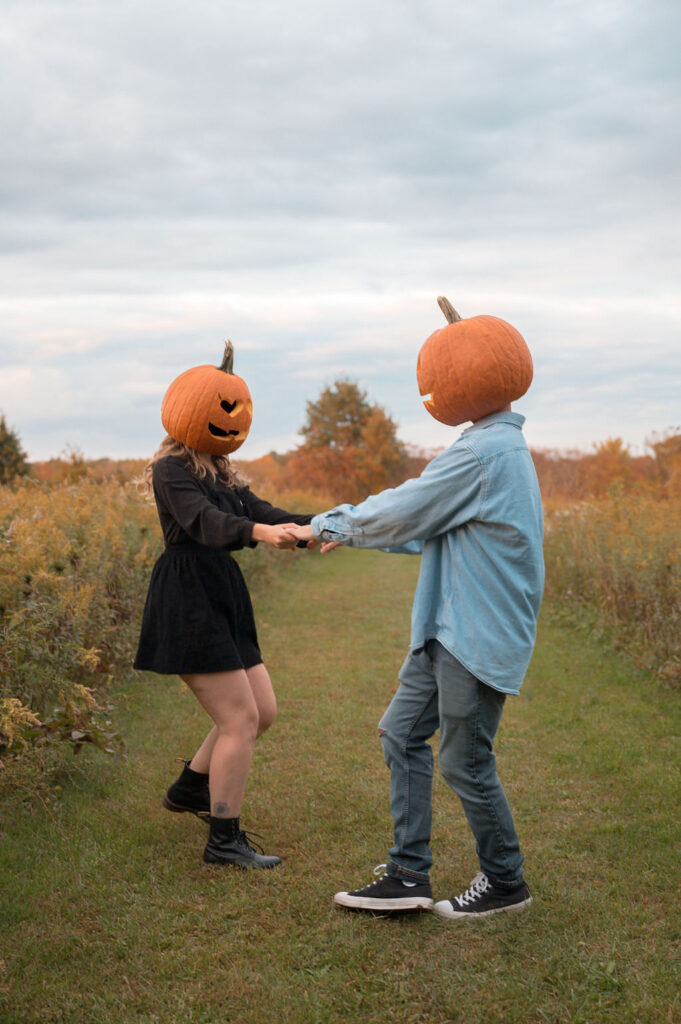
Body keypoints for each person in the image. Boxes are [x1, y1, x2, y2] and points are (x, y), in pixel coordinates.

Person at [290, 297, 544, 919]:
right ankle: (407, 874)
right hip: (442, 629)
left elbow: (408, 507)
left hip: (474, 633)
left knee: (465, 758)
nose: (431, 388)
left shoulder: (484, 453)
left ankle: (506, 882)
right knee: (400, 733)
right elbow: (428, 527)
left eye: (440, 376)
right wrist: (341, 534)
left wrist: (335, 521)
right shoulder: (485, 450)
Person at [134, 342, 311, 869]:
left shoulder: (222, 467)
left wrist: (321, 525)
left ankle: (191, 786)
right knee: (239, 719)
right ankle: (223, 840)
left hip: (222, 594)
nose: (233, 419)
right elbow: (205, 525)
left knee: (263, 713)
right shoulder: (171, 470)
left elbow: (263, 510)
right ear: (190, 409)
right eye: (224, 407)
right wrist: (258, 533)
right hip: (187, 596)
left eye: (239, 409)